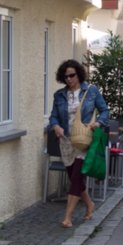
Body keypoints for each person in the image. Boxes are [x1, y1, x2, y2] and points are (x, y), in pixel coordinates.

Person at [46, 58, 109, 228]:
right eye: (65, 76)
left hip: (85, 140)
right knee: (74, 177)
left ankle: (68, 217)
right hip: (66, 140)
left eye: (72, 75)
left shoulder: (91, 91)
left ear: (79, 75)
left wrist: (98, 123)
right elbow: (53, 115)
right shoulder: (59, 95)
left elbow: (104, 110)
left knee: (76, 177)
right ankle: (89, 204)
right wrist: (56, 126)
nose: (69, 79)